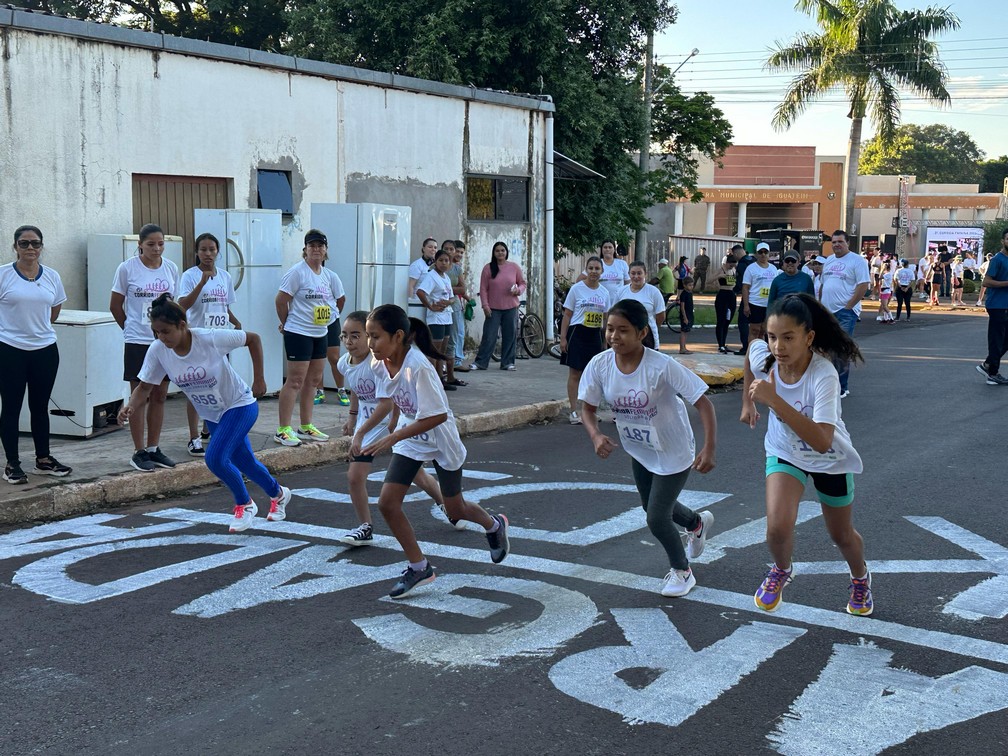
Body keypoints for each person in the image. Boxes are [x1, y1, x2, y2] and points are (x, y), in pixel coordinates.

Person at [352, 304, 510, 598]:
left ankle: (493, 524)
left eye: (375, 337)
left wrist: (394, 435)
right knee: (387, 503)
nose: (369, 344)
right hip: (412, 436)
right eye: (368, 336)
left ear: (398, 336)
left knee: (455, 509)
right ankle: (419, 566)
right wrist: (380, 426)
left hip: (439, 437)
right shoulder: (380, 362)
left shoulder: (419, 367)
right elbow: (392, 394)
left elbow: (438, 415)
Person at [740, 293, 871, 616]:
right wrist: (747, 401)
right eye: (772, 337)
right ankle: (781, 569)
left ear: (808, 337)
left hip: (830, 459)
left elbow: (823, 440)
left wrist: (772, 400)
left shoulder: (823, 374)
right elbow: (750, 352)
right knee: (777, 527)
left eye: (788, 338)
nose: (778, 347)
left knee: (841, 535)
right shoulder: (767, 359)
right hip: (786, 452)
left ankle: (860, 577)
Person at [578, 299, 717, 597]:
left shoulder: (661, 365)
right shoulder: (600, 365)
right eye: (610, 329)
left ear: (642, 333)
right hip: (639, 448)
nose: (614, 336)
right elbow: (586, 408)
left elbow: (703, 402)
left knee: (655, 517)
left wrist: (709, 447)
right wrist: (595, 436)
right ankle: (696, 524)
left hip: (674, 448)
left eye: (623, 331)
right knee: (651, 506)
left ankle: (682, 571)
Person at [119, 293, 292, 532]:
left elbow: (253, 339)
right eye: (156, 332)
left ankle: (245, 504)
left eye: (166, 331)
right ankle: (279, 494)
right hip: (213, 415)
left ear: (182, 325)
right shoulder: (158, 350)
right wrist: (130, 406)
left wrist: (260, 379)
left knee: (216, 459)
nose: (161, 337)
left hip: (239, 404)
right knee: (246, 462)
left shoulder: (209, 338)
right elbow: (145, 387)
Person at [336, 311, 462, 545]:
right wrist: (353, 419)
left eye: (357, 336)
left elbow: (391, 398)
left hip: (386, 419)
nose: (349, 342)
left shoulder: (386, 362)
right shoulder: (346, 363)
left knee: (410, 473)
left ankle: (449, 507)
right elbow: (355, 387)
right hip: (372, 420)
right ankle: (366, 526)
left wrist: (390, 425)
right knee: (360, 476)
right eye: (344, 336)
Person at [0, 225, 72, 484]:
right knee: (11, 408)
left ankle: (43, 459)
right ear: (15, 246)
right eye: (24, 243)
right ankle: (13, 464)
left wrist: (37, 331)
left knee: (39, 407)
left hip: (44, 350)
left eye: (35, 243)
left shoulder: (51, 276)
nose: (30, 248)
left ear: (42, 247)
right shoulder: (4, 275)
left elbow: (54, 310)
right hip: (9, 350)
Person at [109, 223, 179, 472]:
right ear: (140, 245)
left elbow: (174, 305)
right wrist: (129, 329)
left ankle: (153, 448)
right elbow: (116, 305)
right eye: (151, 244)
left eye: (160, 243)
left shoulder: (171, 268)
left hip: (163, 341)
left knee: (160, 395)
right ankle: (138, 451)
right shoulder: (127, 268)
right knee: (140, 394)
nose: (156, 248)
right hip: (138, 340)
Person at [274, 229, 344, 446]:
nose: (316, 249)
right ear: (305, 250)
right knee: (295, 380)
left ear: (325, 250)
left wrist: (332, 316)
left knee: (313, 381)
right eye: (311, 246)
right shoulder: (297, 272)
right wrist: (286, 324)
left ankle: (306, 425)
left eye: (320, 246)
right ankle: (283, 429)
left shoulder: (329, 276)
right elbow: (280, 300)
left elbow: (340, 299)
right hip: (298, 332)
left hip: (319, 332)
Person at [177, 232, 240, 457]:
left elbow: (224, 305)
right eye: (203, 249)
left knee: (218, 387)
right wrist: (201, 283)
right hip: (198, 338)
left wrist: (236, 323)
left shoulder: (224, 277)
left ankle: (209, 430)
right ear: (197, 252)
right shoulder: (189, 276)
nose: (208, 254)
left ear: (218, 251)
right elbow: (182, 305)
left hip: (220, 339)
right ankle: (193, 438)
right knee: (196, 389)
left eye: (212, 249)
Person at [817, 230, 870, 398]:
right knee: (825, 350)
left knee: (840, 350)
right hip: (827, 312)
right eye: (833, 242)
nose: (836, 245)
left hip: (845, 312)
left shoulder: (857, 261)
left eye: (840, 242)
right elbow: (824, 285)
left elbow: (863, 286)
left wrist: (848, 307)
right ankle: (827, 384)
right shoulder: (829, 261)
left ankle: (841, 387)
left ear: (848, 243)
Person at [560, 256, 610, 425]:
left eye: (597, 269)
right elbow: (567, 315)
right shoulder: (576, 289)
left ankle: (589, 412)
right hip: (578, 333)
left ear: (602, 271)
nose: (594, 272)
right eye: (591, 268)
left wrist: (605, 341)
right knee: (575, 374)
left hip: (595, 335)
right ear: (586, 270)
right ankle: (573, 411)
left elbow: (605, 318)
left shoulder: (604, 292)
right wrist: (563, 338)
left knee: (594, 376)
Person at [472, 241, 527, 372]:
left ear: (506, 252)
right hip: (493, 309)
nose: (500, 253)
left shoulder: (514, 267)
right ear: (493, 253)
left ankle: (507, 363)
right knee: (489, 336)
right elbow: (483, 289)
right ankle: (481, 362)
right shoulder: (488, 268)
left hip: (511, 308)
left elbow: (523, 283)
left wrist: (518, 290)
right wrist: (485, 305)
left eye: (503, 250)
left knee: (510, 336)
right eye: (497, 250)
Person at [417, 249, 464, 390]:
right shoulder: (431, 276)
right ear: (436, 262)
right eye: (441, 260)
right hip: (436, 318)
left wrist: (448, 302)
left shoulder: (446, 277)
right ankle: (432, 381)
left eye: (446, 261)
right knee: (434, 351)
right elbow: (420, 292)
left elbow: (451, 296)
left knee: (442, 351)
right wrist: (430, 306)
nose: (444, 263)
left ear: (450, 264)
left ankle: (440, 379)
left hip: (447, 316)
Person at [976, 228, 1008, 385]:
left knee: (1005, 339)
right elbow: (986, 282)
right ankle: (992, 373)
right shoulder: (997, 260)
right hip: (997, 305)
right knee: (997, 339)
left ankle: (988, 364)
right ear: (1003, 241)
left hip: (1006, 305)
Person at [616, 261, 665, 347]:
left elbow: (660, 316)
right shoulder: (621, 292)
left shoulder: (654, 292)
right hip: (626, 338)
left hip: (648, 337)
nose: (636, 277)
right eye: (633, 273)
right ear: (629, 274)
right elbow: (616, 313)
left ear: (645, 274)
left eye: (639, 273)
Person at [741, 242, 782, 345]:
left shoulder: (773, 268)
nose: (763, 254)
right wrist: (746, 305)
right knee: (754, 330)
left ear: (769, 254)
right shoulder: (751, 268)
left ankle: (760, 353)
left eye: (765, 252)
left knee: (764, 330)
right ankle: (751, 352)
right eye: (760, 252)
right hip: (755, 303)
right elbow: (745, 287)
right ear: (756, 254)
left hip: (768, 304)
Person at [448, 240, 470, 372]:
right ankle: (455, 360)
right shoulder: (443, 266)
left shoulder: (457, 267)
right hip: (448, 304)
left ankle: (457, 359)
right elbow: (442, 287)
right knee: (454, 334)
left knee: (459, 332)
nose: (459, 254)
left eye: (462, 252)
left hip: (457, 303)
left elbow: (462, 289)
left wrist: (467, 298)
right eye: (458, 251)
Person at [733, 244, 755, 354]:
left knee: (743, 322)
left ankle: (745, 347)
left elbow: (741, 283)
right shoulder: (753, 260)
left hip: (747, 297)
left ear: (737, 253)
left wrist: (734, 290)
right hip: (758, 298)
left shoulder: (741, 265)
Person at [714, 253, 738, 354]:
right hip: (722, 294)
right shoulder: (721, 269)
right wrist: (720, 276)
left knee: (728, 321)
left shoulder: (733, 270)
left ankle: (724, 343)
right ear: (727, 263)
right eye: (730, 265)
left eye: (733, 265)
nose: (731, 267)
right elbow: (710, 280)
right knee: (721, 320)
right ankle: (721, 345)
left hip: (731, 295)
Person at [676, 276, 695, 354]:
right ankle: (682, 348)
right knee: (683, 331)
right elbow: (682, 307)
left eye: (692, 285)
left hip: (689, 314)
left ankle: (684, 347)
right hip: (685, 315)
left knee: (686, 331)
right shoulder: (684, 294)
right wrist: (685, 317)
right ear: (684, 285)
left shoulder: (689, 293)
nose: (691, 287)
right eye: (689, 285)